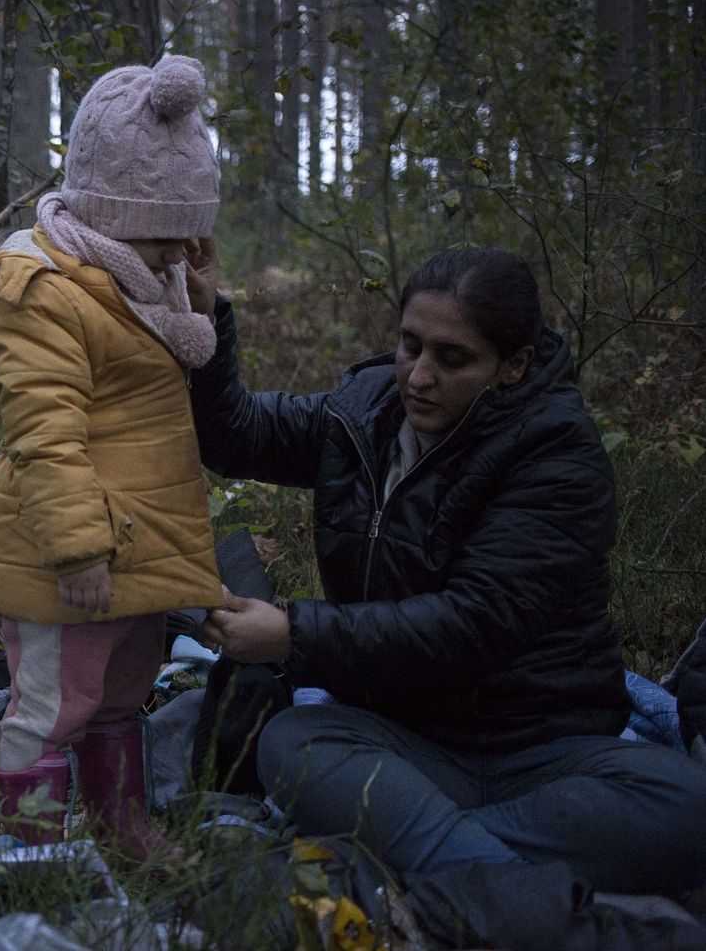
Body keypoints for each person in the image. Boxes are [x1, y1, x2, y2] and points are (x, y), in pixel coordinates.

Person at [190, 247, 706, 929]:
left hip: (545, 749)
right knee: (293, 740)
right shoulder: (360, 416)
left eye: (452, 358)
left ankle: (422, 862)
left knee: (686, 807)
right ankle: (523, 902)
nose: (419, 377)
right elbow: (234, 434)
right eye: (409, 346)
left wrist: (293, 634)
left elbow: (475, 624)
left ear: (512, 366)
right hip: (402, 738)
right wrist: (207, 315)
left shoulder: (557, 453)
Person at [0, 54, 225, 861]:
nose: (184, 243)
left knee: (120, 698)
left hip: (138, 543)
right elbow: (43, 432)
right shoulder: (45, 292)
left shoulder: (148, 281)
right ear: (112, 211)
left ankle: (120, 828)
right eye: (168, 223)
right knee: (54, 706)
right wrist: (76, 548)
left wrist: (200, 291)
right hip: (75, 553)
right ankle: (38, 852)